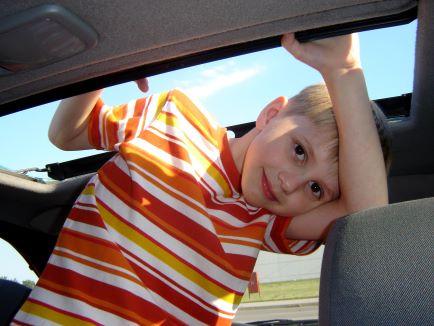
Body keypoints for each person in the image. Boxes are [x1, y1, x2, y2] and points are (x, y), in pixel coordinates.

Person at [13, 33, 389, 325]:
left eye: (316, 189)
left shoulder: (269, 221)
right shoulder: (174, 115)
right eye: (299, 150)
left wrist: (344, 74)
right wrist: (104, 66)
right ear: (272, 113)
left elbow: (370, 223)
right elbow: (67, 134)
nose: (291, 183)